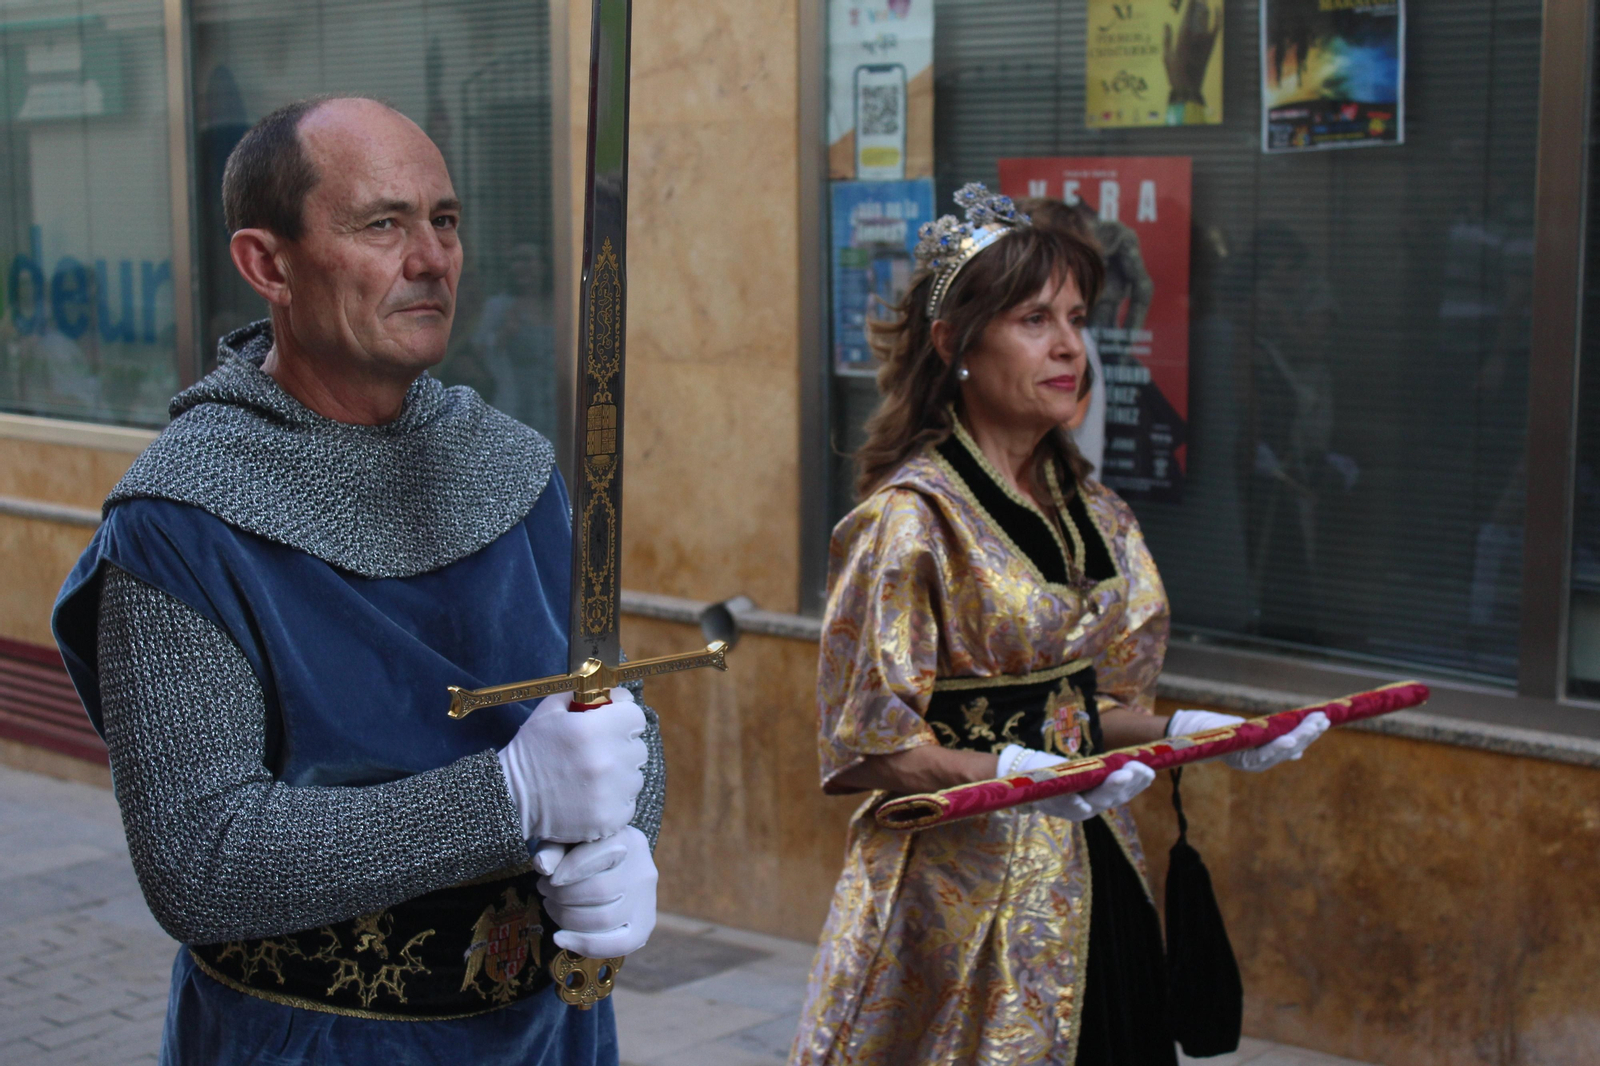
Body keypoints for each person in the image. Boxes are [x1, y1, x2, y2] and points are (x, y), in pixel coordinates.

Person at [51, 96, 661, 1065]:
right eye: (383, 224)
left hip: (548, 1031)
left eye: (445, 221)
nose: (432, 259)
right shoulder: (179, 520)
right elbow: (201, 862)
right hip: (311, 1041)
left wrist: (630, 830)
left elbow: (599, 716)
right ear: (267, 265)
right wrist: (503, 799)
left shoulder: (511, 465)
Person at [790, 185, 1328, 1065]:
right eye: (1034, 319)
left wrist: (1187, 734)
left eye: (1077, 317)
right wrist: (1006, 772)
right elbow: (868, 748)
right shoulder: (911, 519)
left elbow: (1092, 707)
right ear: (954, 344)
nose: (1070, 345)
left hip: (1096, 874)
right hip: (960, 904)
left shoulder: (1097, 510)